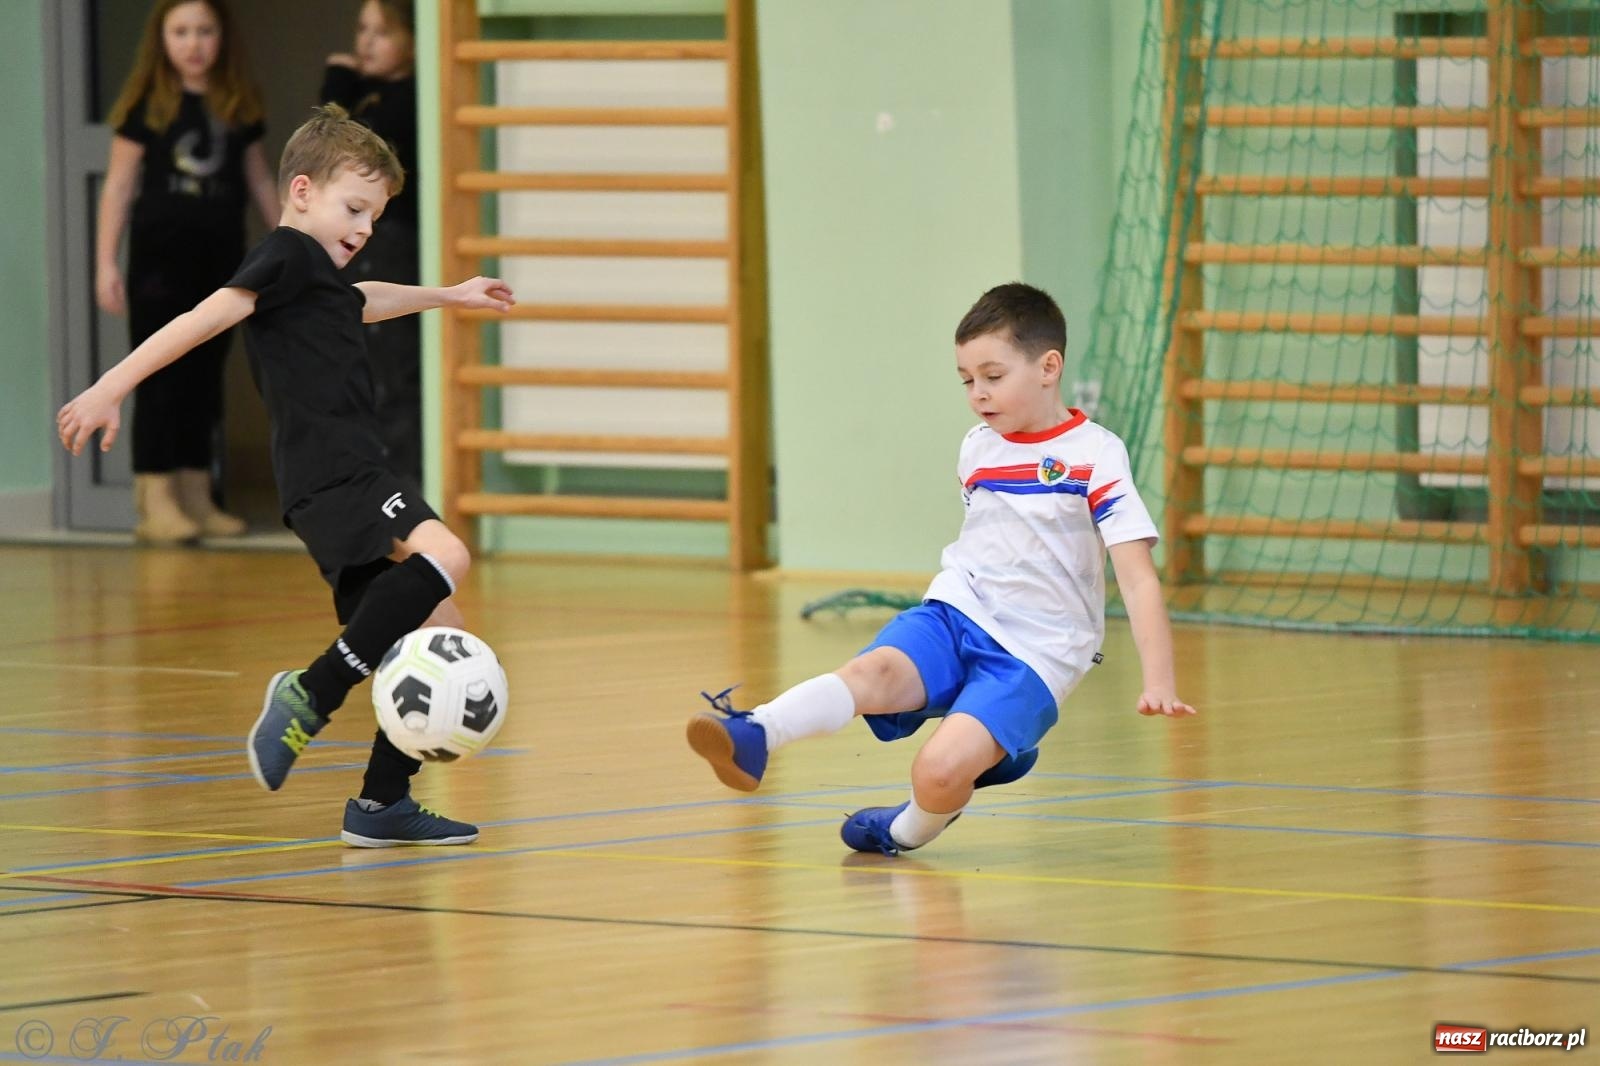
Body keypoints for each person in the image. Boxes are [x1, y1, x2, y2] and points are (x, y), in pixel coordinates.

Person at [60, 105, 517, 847]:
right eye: (355, 207)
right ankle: (312, 692)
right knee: (449, 557)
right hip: (339, 470)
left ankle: (379, 804)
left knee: (439, 626)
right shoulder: (285, 254)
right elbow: (206, 316)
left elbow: (361, 303)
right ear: (301, 192)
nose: (365, 227)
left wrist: (448, 295)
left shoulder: (318, 280)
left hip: (324, 482)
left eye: (375, 215)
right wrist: (112, 384)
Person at [687, 282, 1197, 855]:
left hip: (1039, 651)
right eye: (966, 380)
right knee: (871, 674)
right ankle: (755, 732)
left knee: (936, 773)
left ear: (1049, 366)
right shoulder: (978, 446)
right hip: (958, 610)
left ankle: (905, 828)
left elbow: (1136, 576)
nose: (977, 393)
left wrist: (1159, 680)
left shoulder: (1096, 455)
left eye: (993, 376)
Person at [97, 0, 280, 543]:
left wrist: (289, 241)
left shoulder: (237, 104)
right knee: (160, 377)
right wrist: (106, 260)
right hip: (158, 263)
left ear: (221, 39)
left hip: (222, 262)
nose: (193, 43)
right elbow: (119, 185)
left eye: (204, 31)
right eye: (181, 31)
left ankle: (198, 494)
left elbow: (260, 181)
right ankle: (156, 497)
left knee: (204, 379)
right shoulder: (146, 104)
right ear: (162, 39)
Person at [320, 0, 424, 483]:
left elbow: (344, 148)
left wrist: (338, 89)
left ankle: (401, 485)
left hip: (393, 244)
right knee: (356, 369)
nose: (365, 42)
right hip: (356, 248)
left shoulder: (409, 98)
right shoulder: (372, 95)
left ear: (414, 40)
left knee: (394, 371)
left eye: (382, 32)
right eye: (362, 29)